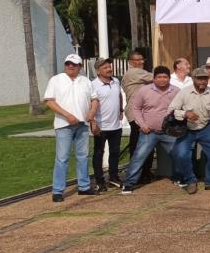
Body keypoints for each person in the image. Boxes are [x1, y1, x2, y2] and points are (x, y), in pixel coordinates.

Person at [44, 54, 99, 202]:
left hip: (82, 125)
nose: (70, 66)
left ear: (80, 66)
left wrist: (92, 113)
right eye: (68, 63)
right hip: (64, 125)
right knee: (62, 158)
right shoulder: (56, 80)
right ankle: (57, 190)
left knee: (83, 156)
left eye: (74, 64)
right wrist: (67, 115)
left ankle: (84, 186)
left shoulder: (86, 81)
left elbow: (94, 99)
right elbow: (49, 101)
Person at [168, 67, 210, 194]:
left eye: (205, 79)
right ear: (194, 79)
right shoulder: (184, 92)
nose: (202, 82)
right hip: (187, 129)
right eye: (199, 79)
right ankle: (191, 181)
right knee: (181, 154)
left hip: (205, 128)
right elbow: (171, 110)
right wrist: (185, 114)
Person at [123, 66, 180, 194]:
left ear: (169, 79)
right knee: (139, 157)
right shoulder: (144, 90)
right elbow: (136, 108)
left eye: (165, 77)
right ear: (153, 78)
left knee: (178, 155)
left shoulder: (176, 91)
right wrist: (142, 124)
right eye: (159, 77)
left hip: (168, 131)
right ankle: (128, 183)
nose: (162, 80)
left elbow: (181, 107)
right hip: (149, 132)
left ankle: (179, 178)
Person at [91, 57, 124, 191]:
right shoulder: (93, 85)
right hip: (101, 126)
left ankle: (113, 178)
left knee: (115, 152)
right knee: (99, 153)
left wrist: (121, 109)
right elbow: (90, 104)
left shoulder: (116, 81)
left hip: (116, 125)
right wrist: (93, 122)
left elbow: (119, 96)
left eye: (109, 66)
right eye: (105, 67)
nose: (109, 69)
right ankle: (100, 181)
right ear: (98, 71)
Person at [121, 50, 153, 181]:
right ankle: (138, 173)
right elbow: (157, 77)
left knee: (142, 142)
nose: (141, 62)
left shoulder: (132, 74)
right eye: (138, 60)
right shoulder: (135, 72)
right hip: (136, 114)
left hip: (139, 113)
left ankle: (144, 172)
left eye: (142, 59)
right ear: (131, 62)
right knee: (140, 144)